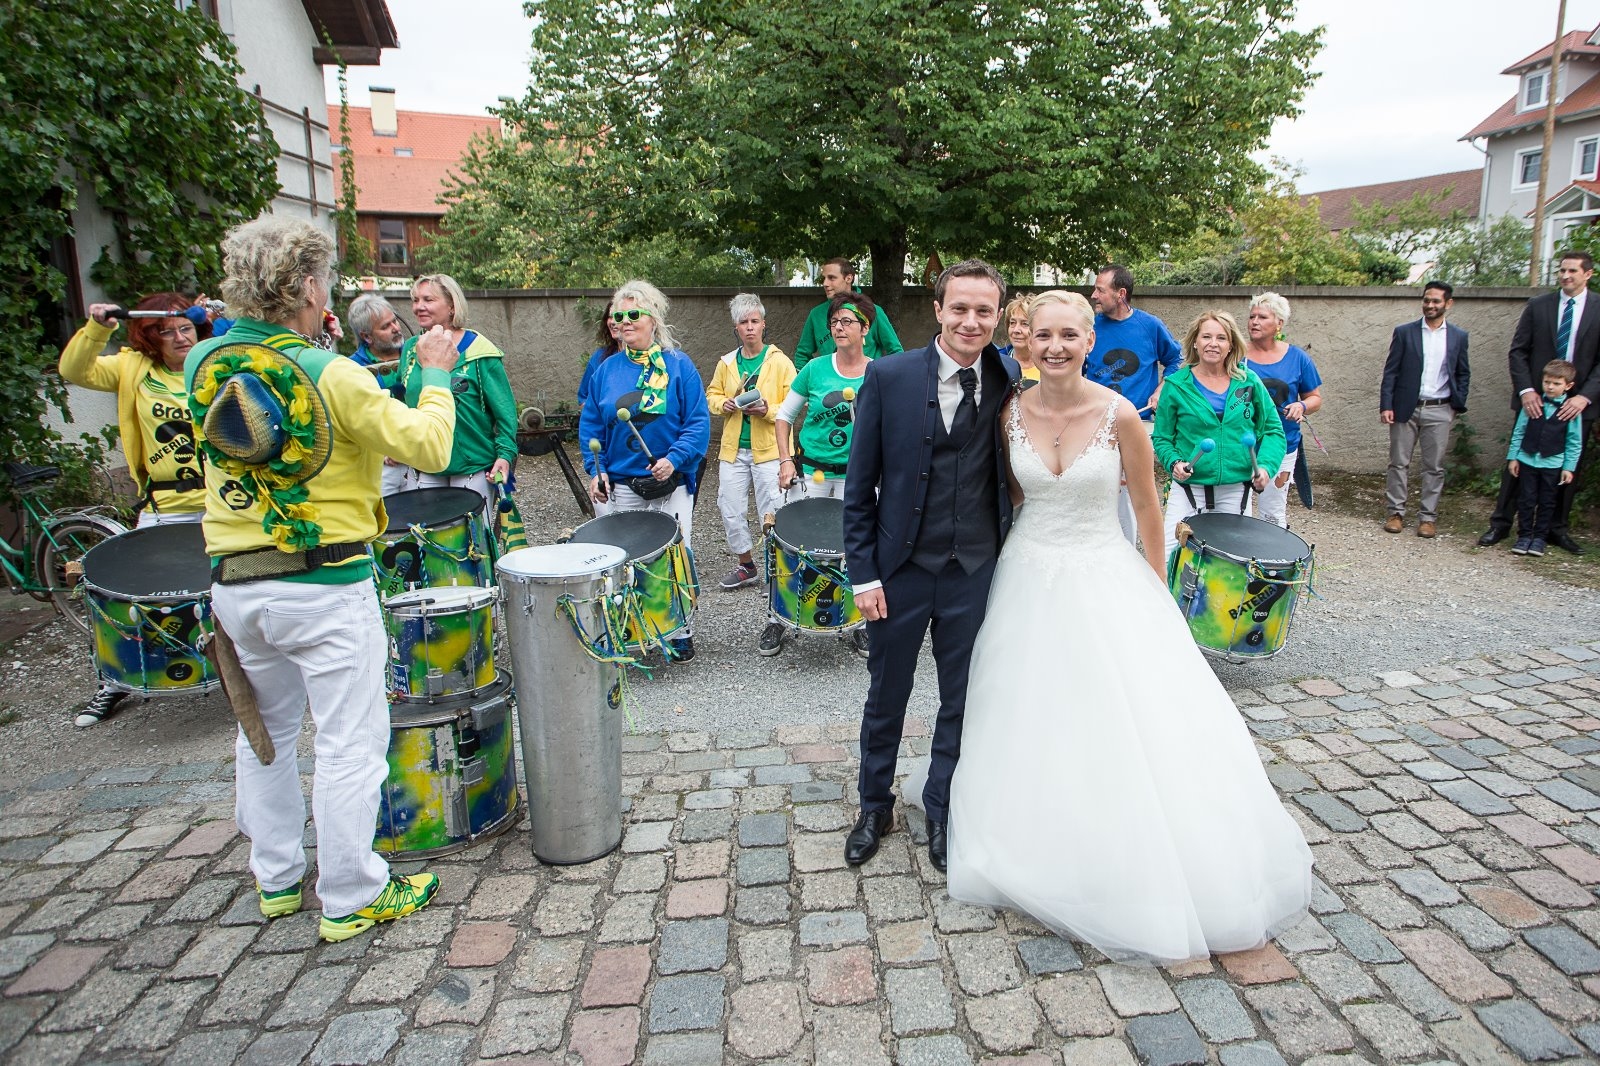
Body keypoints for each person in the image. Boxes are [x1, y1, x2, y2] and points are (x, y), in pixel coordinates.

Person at [944, 289, 1313, 963]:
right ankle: (1034, 831)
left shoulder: (1121, 417)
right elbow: (1015, 499)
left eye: (1069, 336)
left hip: (1102, 574)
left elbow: (1149, 513)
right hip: (1026, 574)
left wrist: (1154, 597)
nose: (1055, 346)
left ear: (1089, 342)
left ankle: (1122, 847)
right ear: (1028, 341)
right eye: (1044, 335)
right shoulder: (1008, 413)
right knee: (1026, 708)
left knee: (1118, 712)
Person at [184, 216, 457, 942]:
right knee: (347, 743)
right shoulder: (330, 374)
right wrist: (434, 373)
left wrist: (317, 344)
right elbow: (428, 442)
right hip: (323, 586)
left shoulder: (204, 362)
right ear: (308, 285)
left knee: (263, 735)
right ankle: (349, 894)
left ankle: (275, 879)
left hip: (237, 588)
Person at [841, 259, 1020, 872]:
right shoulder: (887, 377)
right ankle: (874, 804)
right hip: (900, 569)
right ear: (937, 310)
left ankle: (943, 805)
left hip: (973, 568)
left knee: (962, 697)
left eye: (984, 311)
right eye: (960, 308)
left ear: (999, 317)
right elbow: (859, 484)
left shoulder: (1008, 376)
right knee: (886, 693)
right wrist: (863, 574)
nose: (972, 322)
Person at [579, 279, 711, 661]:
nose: (623, 321)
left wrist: (674, 459)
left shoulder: (679, 366)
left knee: (673, 554)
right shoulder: (605, 370)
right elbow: (591, 426)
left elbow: (697, 423)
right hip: (620, 482)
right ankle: (627, 626)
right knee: (619, 557)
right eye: (618, 316)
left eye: (633, 314)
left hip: (669, 481)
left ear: (653, 318)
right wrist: (595, 469)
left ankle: (679, 628)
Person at [1480, 251, 1600, 554]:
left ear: (1588, 273)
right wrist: (1526, 392)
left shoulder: (1599, 308)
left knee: (1566, 469)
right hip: (1536, 401)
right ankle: (1501, 524)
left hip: (1577, 405)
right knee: (1518, 464)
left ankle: (1555, 530)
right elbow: (1518, 351)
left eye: (1572, 270)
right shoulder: (1539, 306)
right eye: (1561, 270)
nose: (1565, 276)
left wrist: (1584, 397)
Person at [60, 293, 207, 528]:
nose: (180, 338)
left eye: (186, 328)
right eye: (167, 332)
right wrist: (97, 329)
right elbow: (73, 371)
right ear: (150, 337)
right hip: (166, 509)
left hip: (223, 502)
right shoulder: (132, 368)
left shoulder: (217, 365)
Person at [1152, 311, 1285, 560]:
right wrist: (1174, 462)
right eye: (1207, 337)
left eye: (1221, 338)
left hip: (1235, 489)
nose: (1213, 343)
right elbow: (1162, 438)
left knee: (1231, 562)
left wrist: (1266, 467)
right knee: (1171, 557)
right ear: (1195, 341)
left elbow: (1273, 431)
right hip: (1189, 488)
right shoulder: (1176, 385)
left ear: (1231, 344)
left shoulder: (1249, 382)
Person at [395, 274, 519, 518]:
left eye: (428, 299)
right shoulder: (410, 349)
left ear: (452, 305)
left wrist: (505, 454)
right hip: (425, 463)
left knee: (473, 546)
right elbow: (401, 403)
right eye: (415, 300)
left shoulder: (479, 351)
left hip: (471, 466)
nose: (419, 306)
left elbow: (505, 412)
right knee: (429, 543)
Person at [1086, 264, 1182, 545]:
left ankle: (1125, 554)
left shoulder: (1150, 326)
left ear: (1121, 294)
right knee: (1097, 487)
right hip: (1095, 423)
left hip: (1138, 424)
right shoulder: (1090, 326)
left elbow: (1175, 360)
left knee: (1128, 494)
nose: (1094, 295)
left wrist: (1163, 388)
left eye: (1100, 290)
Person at [706, 294, 795, 591]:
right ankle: (746, 565)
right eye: (743, 322)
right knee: (730, 506)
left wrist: (767, 409)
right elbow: (712, 395)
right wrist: (724, 405)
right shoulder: (727, 363)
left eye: (754, 321)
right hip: (734, 448)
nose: (750, 328)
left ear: (763, 324)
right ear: (736, 327)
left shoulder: (780, 361)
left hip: (770, 448)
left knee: (773, 507)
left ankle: (777, 565)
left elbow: (795, 405)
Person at [1381, 281, 1470, 538]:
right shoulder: (1405, 332)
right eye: (1426, 300)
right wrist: (1387, 404)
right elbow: (1391, 371)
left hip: (1440, 408)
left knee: (1434, 466)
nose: (1430, 305)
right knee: (1398, 462)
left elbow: (1463, 373)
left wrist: (1456, 405)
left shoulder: (1458, 336)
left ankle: (1427, 518)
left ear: (1448, 304)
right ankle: (1395, 513)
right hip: (1404, 408)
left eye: (1436, 301)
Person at [776, 292, 874, 503]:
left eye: (847, 321)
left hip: (856, 475)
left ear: (865, 327)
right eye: (834, 322)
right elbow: (784, 416)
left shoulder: (878, 373)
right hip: (811, 472)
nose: (838, 327)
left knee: (850, 535)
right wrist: (785, 460)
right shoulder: (814, 368)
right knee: (803, 534)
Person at [1243, 292, 1324, 530]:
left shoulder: (1298, 358)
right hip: (1240, 444)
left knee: (1272, 513)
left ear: (1279, 323)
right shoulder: (1235, 355)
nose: (1254, 322)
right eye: (1251, 316)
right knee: (1237, 510)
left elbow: (1315, 398)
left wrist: (1302, 405)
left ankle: (1271, 564)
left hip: (1282, 444)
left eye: (1262, 317)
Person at [1507, 360, 1585, 557]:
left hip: (1553, 464)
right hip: (1527, 461)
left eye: (1556, 383)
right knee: (1526, 499)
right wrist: (1513, 457)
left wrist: (1569, 467)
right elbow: (1519, 431)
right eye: (1547, 382)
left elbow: (1574, 442)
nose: (1550, 387)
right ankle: (1524, 535)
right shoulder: (1533, 405)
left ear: (1568, 386)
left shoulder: (1571, 412)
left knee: (1547, 501)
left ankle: (1540, 538)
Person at [346, 294, 410, 495]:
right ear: (366, 336)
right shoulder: (352, 368)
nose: (396, 328)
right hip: (382, 468)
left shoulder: (417, 354)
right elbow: (353, 420)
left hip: (418, 461)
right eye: (385, 326)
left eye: (395, 321)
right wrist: (381, 453)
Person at [792, 257, 904, 369]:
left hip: (867, 383)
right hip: (830, 385)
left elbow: (896, 351)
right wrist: (809, 382)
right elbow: (802, 355)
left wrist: (884, 379)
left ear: (849, 278)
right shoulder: (816, 314)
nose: (825, 283)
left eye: (831, 278)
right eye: (824, 278)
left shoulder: (873, 311)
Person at [578, 300, 623, 411]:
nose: (612, 322)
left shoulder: (655, 359)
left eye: (618, 316)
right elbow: (583, 397)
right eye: (609, 317)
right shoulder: (600, 357)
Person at [995, 294, 1039, 380]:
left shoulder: (1051, 362)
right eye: (1012, 323)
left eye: (1024, 324)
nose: (1016, 330)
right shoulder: (995, 362)